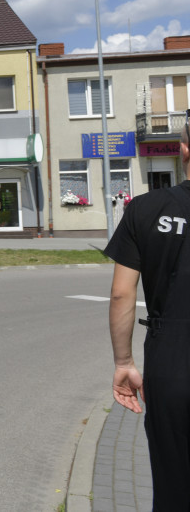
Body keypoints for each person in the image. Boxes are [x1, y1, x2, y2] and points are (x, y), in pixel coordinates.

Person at [106, 116, 190, 508]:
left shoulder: (145, 209)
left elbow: (121, 295)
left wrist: (123, 362)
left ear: (183, 148)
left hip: (171, 360)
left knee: (173, 486)